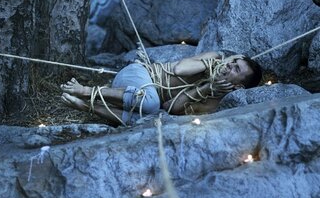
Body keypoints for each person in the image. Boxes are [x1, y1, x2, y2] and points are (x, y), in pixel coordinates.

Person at [60, 51, 262, 126]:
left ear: (237, 86)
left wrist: (208, 87)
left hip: (141, 100)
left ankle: (88, 106)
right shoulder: (215, 58)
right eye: (233, 60)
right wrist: (210, 68)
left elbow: (171, 107)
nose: (229, 65)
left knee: (147, 121)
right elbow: (180, 68)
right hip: (137, 75)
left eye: (236, 68)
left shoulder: (214, 102)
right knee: (150, 103)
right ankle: (88, 91)